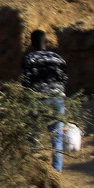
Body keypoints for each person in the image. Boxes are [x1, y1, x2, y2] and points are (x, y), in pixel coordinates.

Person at [21, 29, 67, 172]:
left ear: (32, 42)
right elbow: (64, 79)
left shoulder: (29, 58)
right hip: (57, 99)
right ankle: (57, 172)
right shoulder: (58, 58)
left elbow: (26, 82)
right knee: (57, 136)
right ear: (45, 41)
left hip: (38, 99)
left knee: (32, 135)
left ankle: (34, 170)